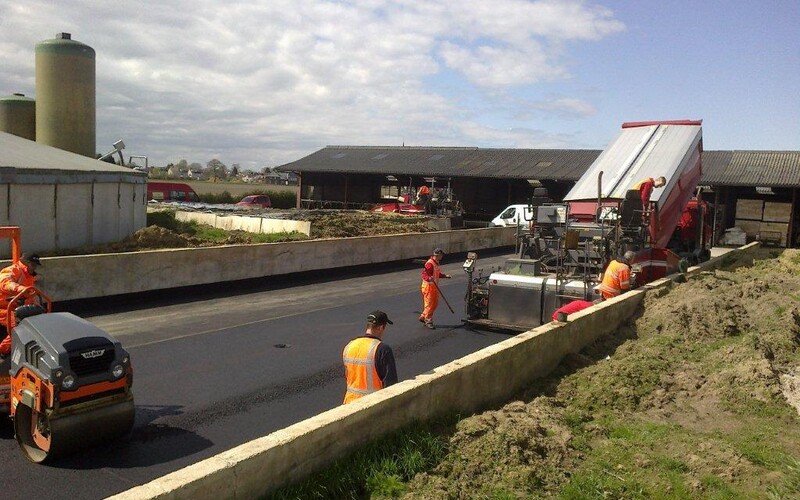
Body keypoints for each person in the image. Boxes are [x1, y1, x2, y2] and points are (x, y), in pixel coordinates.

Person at [342, 310, 398, 404]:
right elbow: (391, 385)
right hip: (372, 404)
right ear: (381, 327)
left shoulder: (350, 346)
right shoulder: (382, 349)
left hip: (349, 403)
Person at [0, 253, 41, 356]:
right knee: (18, 326)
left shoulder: (29, 276)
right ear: (26, 263)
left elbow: (29, 295)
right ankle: (4, 350)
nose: (35, 268)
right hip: (4, 307)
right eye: (33, 265)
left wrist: (37, 306)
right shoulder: (13, 270)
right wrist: (19, 289)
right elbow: (5, 283)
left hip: (17, 307)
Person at [418, 248, 451, 329]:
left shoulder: (436, 263)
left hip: (434, 286)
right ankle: (428, 320)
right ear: (437, 255)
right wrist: (429, 278)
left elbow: (436, 273)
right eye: (441, 255)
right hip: (428, 287)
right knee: (430, 304)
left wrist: (444, 276)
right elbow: (424, 274)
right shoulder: (429, 263)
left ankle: (423, 316)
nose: (442, 257)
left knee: (435, 303)